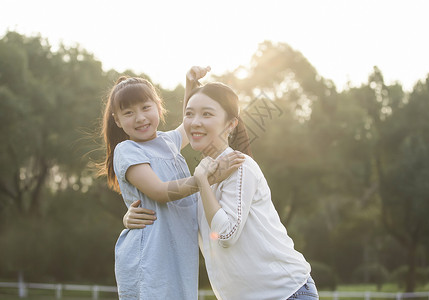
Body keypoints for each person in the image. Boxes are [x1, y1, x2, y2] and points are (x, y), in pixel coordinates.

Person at [124, 80, 318, 300]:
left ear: (230, 124)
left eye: (207, 114)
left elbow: (226, 234)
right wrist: (131, 216)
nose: (195, 122)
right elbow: (178, 217)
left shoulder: (239, 166)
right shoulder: (200, 177)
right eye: (189, 114)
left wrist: (203, 181)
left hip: (286, 293)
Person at [98, 69, 245, 300]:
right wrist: (208, 179)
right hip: (149, 255)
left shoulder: (168, 141)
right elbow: (159, 192)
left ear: (158, 106)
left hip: (177, 251)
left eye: (146, 108)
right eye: (128, 113)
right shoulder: (128, 150)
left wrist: (190, 85)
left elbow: (190, 122)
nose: (140, 118)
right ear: (117, 120)